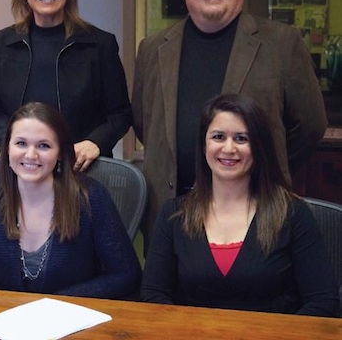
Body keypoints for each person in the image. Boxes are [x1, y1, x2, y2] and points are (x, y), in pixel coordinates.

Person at [132, 0, 327, 250]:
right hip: (171, 210)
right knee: (164, 297)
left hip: (253, 207)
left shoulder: (281, 43)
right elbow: (144, 123)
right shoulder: (153, 49)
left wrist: (263, 164)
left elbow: (310, 125)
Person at [0, 102, 141, 299]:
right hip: (5, 324)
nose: (30, 155)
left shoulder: (90, 198)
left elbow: (126, 275)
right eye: (21, 143)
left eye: (44, 146)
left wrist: (55, 305)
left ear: (60, 153)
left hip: (73, 323)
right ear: (7, 148)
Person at [140, 94, 339, 317]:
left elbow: (322, 301)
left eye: (241, 139)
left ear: (258, 147)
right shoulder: (174, 215)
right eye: (218, 136)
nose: (229, 148)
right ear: (204, 146)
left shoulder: (292, 214)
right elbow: (153, 294)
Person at [0, 0, 132, 172]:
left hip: (81, 172)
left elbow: (120, 113)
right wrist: (14, 147)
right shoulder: (4, 43)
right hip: (21, 172)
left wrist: (95, 142)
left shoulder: (100, 44)